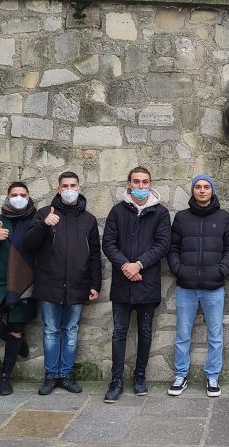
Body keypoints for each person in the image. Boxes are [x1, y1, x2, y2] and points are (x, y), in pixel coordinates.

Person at [25, 172, 102, 396]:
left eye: (73, 185)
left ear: (79, 188)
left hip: (78, 285)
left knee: (71, 330)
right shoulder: (44, 214)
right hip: (50, 284)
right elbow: (29, 244)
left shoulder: (88, 220)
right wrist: (44, 225)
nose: (69, 189)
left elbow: (95, 255)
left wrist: (94, 284)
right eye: (64, 185)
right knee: (50, 330)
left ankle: (66, 375)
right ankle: (51, 375)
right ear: (58, 189)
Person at [101, 167, 171, 403]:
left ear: (150, 184)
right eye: (136, 182)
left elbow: (162, 245)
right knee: (119, 332)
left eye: (145, 182)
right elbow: (108, 244)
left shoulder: (160, 213)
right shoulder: (117, 211)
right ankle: (116, 380)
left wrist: (139, 265)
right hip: (123, 282)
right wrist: (126, 266)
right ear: (128, 184)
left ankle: (140, 376)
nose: (141, 187)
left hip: (147, 282)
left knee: (145, 331)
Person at [167, 174, 229, 397]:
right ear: (193, 191)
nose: (202, 190)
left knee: (215, 335)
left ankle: (213, 377)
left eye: (206, 187)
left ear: (212, 191)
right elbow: (172, 249)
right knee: (183, 334)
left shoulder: (224, 218)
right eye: (198, 187)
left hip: (214, 287)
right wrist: (178, 270)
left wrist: (222, 270)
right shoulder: (181, 218)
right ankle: (180, 375)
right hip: (186, 286)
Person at [0, 182, 38, 396]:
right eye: (14, 194)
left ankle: (5, 376)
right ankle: (17, 343)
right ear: (7, 196)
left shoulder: (34, 221)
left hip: (24, 282)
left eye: (22, 194)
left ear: (29, 196)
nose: (19, 197)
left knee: (16, 328)